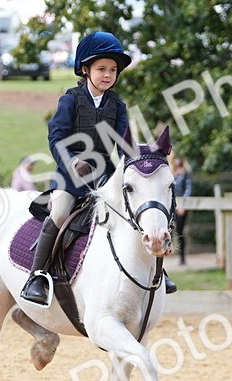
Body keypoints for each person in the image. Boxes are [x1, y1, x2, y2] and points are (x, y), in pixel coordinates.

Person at [21, 31, 176, 304]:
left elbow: (125, 144)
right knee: (59, 213)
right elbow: (56, 138)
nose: (107, 75)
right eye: (101, 69)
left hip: (104, 177)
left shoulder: (117, 105)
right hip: (70, 178)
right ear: (85, 69)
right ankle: (37, 276)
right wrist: (72, 161)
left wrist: (147, 155)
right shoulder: (70, 100)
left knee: (132, 213)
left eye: (112, 70)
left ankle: (157, 269)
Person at [172, 157, 193, 264]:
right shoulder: (170, 173)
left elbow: (188, 190)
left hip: (181, 207)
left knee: (180, 231)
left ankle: (182, 258)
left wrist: (182, 205)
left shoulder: (185, 174)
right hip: (171, 206)